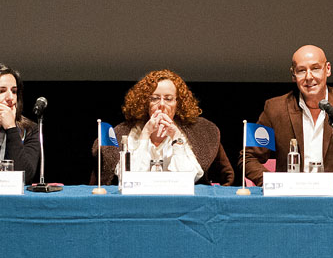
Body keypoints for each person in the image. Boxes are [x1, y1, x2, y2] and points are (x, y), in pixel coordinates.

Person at [240, 45, 333, 186]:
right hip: (288, 200)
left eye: (315, 68)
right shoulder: (274, 109)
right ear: (293, 75)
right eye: (301, 70)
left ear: (327, 69)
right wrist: (274, 184)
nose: (309, 77)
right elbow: (247, 158)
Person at [93, 69, 234, 185]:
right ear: (145, 103)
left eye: (168, 98)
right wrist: (145, 135)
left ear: (177, 103)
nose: (161, 104)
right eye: (154, 98)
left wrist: (176, 136)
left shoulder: (198, 132)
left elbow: (188, 178)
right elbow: (130, 178)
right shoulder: (126, 133)